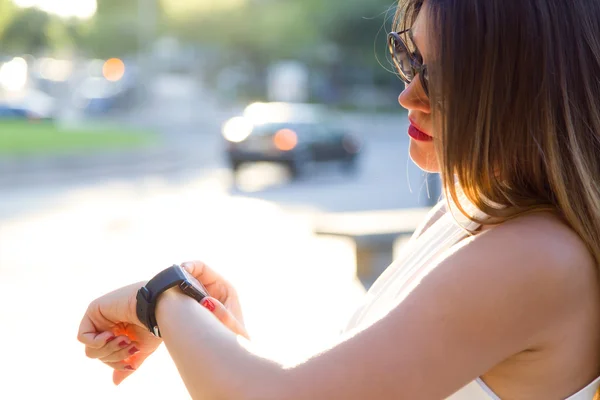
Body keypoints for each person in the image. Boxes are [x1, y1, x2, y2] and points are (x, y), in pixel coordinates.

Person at [77, 0, 600, 398]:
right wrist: (216, 339)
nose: (408, 94)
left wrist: (164, 298)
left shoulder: (533, 257)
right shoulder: (468, 214)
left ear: (527, 92)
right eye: (409, 56)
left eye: (445, 79)